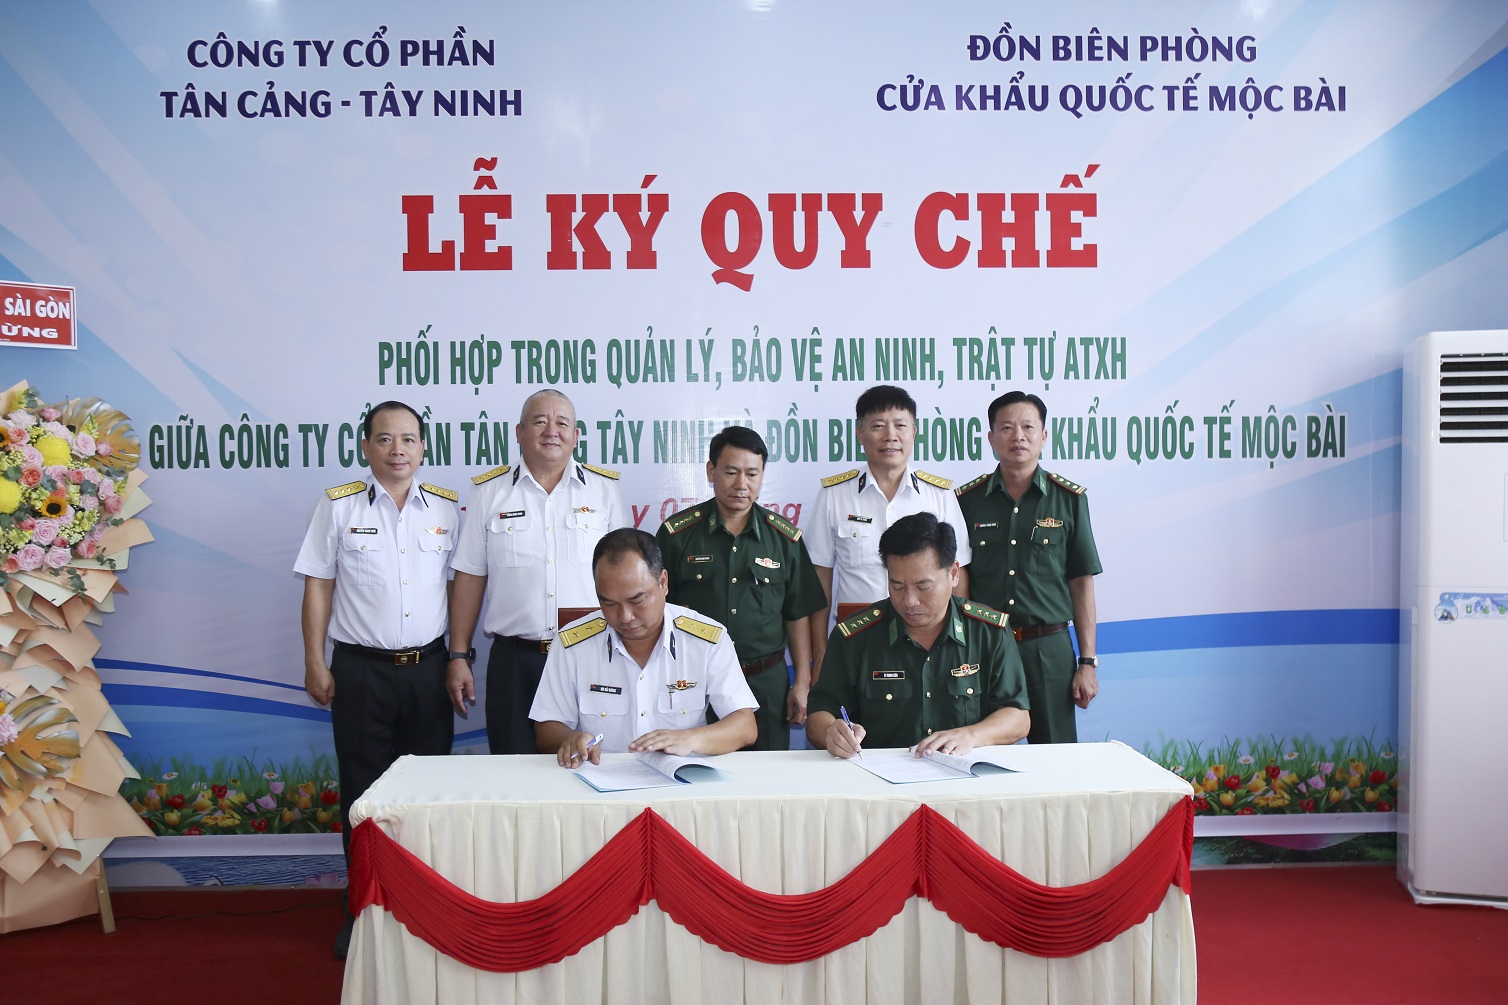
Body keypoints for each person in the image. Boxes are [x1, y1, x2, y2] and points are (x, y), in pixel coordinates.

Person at [294, 401, 459, 958]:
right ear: (365, 447)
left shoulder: (447, 509)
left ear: (423, 448)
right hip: (360, 671)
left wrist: (458, 657)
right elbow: (318, 584)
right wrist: (314, 660)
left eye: (408, 439)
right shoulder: (338, 505)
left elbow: (462, 586)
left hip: (428, 672)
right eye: (385, 439)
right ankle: (363, 911)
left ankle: (422, 905)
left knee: (425, 796)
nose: (397, 450)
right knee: (363, 797)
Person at [446, 389, 627, 753]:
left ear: (576, 435)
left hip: (588, 655)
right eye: (540, 422)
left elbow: (625, 575)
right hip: (515, 661)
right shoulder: (489, 492)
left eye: (562, 423)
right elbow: (470, 575)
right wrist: (458, 655)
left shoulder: (604, 490)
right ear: (519, 432)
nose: (551, 431)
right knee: (514, 767)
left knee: (589, 760)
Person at [655, 426, 826, 748]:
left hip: (766, 681)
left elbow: (797, 615)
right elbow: (658, 612)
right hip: (694, 680)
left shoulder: (784, 540)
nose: (741, 484)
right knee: (694, 763)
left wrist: (802, 682)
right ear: (711, 471)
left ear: (762, 475)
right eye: (731, 472)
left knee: (766, 771)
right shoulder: (677, 535)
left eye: (752, 473)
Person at [806, 512, 1029, 757]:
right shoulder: (855, 637)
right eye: (897, 586)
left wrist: (971, 735)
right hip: (881, 776)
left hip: (964, 773)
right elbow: (818, 716)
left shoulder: (989, 632)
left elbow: (1018, 717)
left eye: (923, 586)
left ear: (953, 574)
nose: (910, 601)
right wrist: (832, 733)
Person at [530, 528, 759, 765]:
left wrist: (691, 739)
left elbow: (744, 726)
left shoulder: (706, 640)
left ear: (663, 583)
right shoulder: (573, 644)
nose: (625, 617)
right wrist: (570, 739)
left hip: (680, 780)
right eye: (609, 603)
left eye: (637, 600)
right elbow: (546, 728)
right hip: (599, 779)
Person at [955, 391, 1101, 744]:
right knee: (979, 748)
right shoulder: (966, 502)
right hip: (987, 647)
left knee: (1055, 755)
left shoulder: (1069, 500)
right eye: (1006, 428)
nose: (1017, 436)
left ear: (1044, 436)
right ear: (991, 438)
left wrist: (1087, 662)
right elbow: (959, 580)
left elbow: (1081, 583)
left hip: (1047, 647)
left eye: (1027, 427)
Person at [806, 384, 973, 677]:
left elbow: (957, 577)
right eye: (878, 426)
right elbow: (819, 581)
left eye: (900, 425)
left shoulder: (939, 495)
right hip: (856, 638)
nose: (890, 436)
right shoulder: (834, 495)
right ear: (860, 434)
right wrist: (820, 654)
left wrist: (959, 646)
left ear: (914, 432)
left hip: (927, 639)